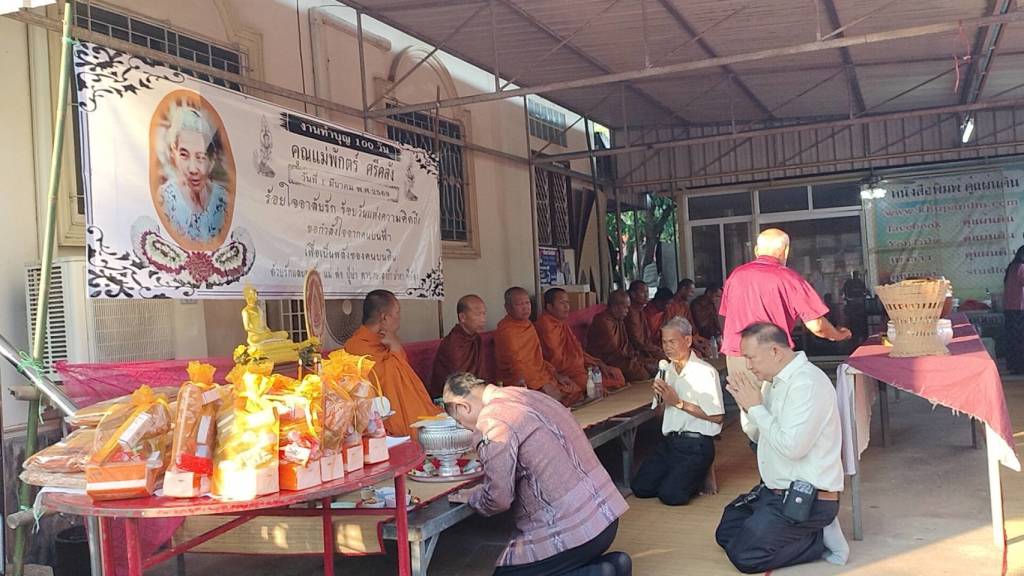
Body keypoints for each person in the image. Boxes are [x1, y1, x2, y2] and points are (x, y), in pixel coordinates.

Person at [444, 373, 632, 576]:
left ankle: (598, 573)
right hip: (606, 517)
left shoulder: (492, 420)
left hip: (573, 531)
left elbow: (499, 500)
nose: (466, 428)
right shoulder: (528, 395)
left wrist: (474, 497)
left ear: (463, 407)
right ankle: (615, 564)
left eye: (460, 422)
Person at [716, 323, 844, 573]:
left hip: (807, 497)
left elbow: (792, 447)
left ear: (775, 351)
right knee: (726, 532)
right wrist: (747, 406)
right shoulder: (773, 382)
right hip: (773, 492)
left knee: (744, 556)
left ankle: (818, 539)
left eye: (751, 358)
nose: (748, 366)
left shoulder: (806, 383)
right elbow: (758, 435)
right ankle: (786, 531)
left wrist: (756, 408)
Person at [719, 228, 852, 381]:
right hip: (771, 356)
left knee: (747, 397)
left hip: (737, 357)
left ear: (756, 250)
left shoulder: (736, 276)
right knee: (782, 397)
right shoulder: (789, 278)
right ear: (786, 250)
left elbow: (724, 316)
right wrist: (838, 335)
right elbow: (817, 325)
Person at [631, 317, 723, 506]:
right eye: (664, 342)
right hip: (671, 443)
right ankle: (681, 476)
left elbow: (717, 416)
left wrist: (679, 403)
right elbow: (659, 413)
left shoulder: (704, 371)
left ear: (687, 340)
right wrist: (660, 399)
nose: (667, 347)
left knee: (671, 496)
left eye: (672, 342)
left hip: (697, 444)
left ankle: (698, 475)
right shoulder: (666, 370)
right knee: (640, 488)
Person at [343, 290, 442, 437]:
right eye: (397, 313)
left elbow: (403, 382)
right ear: (384, 318)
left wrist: (395, 348)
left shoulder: (383, 343)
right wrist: (395, 348)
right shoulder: (356, 348)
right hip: (376, 425)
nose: (399, 318)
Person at [494, 287, 582, 406]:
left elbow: (538, 359)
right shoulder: (507, 331)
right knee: (554, 398)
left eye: (527, 303)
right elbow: (518, 365)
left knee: (574, 389)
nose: (525, 308)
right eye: (519, 304)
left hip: (540, 376)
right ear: (507, 308)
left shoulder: (528, 325)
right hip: (520, 382)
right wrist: (541, 385)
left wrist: (557, 376)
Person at [157, 103, 229, 244]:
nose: (193, 169)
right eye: (184, 155)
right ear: (174, 154)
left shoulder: (223, 200)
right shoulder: (165, 198)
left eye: (200, 157)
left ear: (212, 160)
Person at [536, 288, 626, 395]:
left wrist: (597, 363)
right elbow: (555, 358)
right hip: (565, 373)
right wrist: (575, 366)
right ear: (549, 307)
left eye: (567, 303)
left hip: (580, 369)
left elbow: (577, 350)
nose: (567, 307)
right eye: (562, 303)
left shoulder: (562, 323)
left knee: (617, 375)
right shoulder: (545, 326)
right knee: (583, 388)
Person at [586, 290, 656, 381]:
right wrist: (637, 363)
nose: (627, 311)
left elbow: (626, 345)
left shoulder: (619, 320)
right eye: (625, 308)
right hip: (607, 359)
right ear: (615, 307)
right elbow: (612, 351)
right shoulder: (603, 322)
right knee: (642, 374)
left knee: (653, 364)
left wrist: (636, 358)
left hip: (622, 357)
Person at [430, 294, 488, 397]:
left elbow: (481, 374)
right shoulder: (453, 343)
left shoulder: (476, 338)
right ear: (462, 317)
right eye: (477, 314)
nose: (483, 319)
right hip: (450, 396)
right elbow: (460, 381)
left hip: (474, 391)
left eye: (484, 314)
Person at [625, 281, 666, 361]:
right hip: (635, 352)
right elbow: (637, 342)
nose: (647, 295)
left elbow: (647, 337)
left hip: (646, 348)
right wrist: (654, 350)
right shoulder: (628, 313)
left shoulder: (640, 311)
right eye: (643, 292)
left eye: (647, 292)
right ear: (633, 294)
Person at [1005, 246, 1024, 374]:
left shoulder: (1012, 267)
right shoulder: (1021, 267)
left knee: (1012, 338)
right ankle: (1020, 366)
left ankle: (1014, 365)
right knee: (1020, 338)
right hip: (1019, 308)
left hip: (1010, 308)